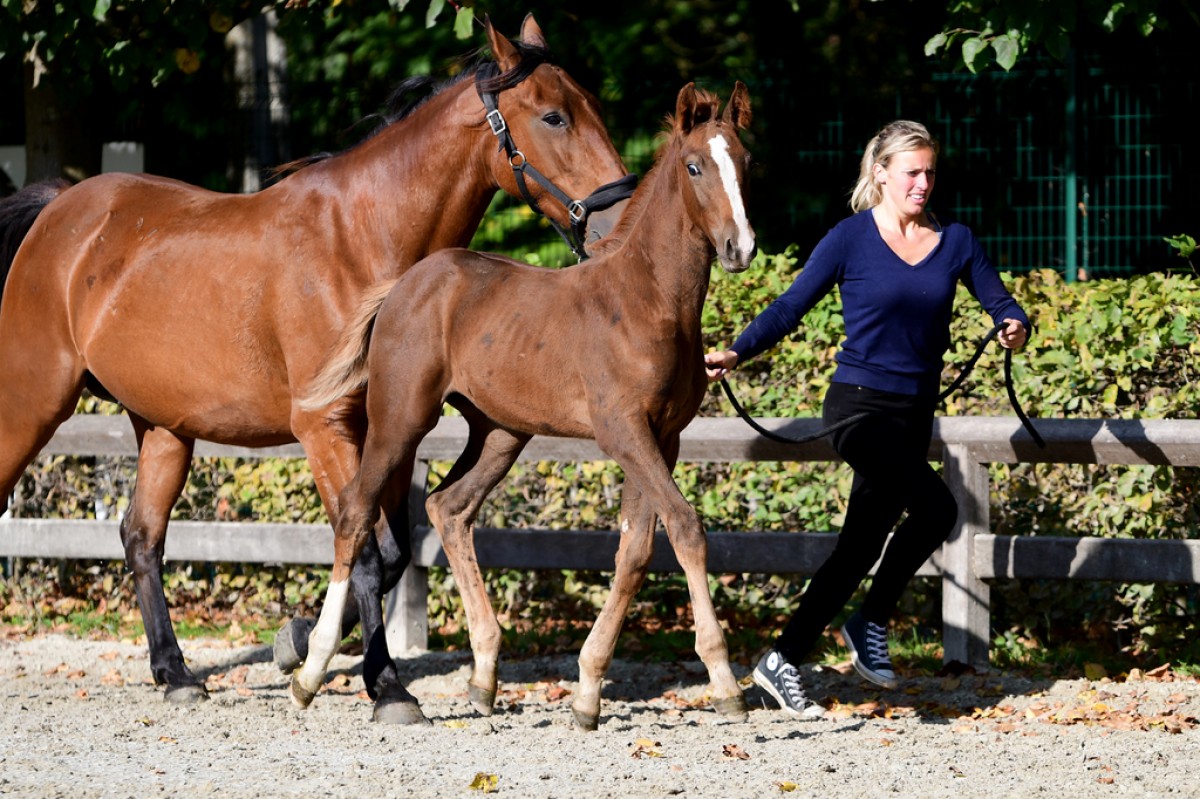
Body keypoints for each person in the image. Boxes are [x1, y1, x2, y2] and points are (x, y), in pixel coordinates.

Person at [704, 120, 1030, 718]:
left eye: (930, 172)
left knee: (857, 549)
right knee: (938, 508)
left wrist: (1014, 324)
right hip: (857, 407)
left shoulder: (955, 240)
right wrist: (736, 351)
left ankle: (783, 658)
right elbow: (790, 306)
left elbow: (1000, 300)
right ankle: (870, 620)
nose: (923, 183)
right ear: (880, 172)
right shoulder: (850, 238)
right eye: (912, 172)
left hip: (912, 413)